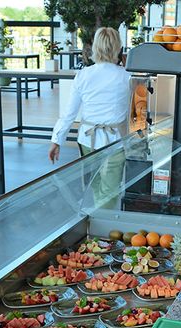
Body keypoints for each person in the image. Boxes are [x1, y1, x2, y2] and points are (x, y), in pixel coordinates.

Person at [49, 27, 131, 208]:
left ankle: (98, 229)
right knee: (110, 191)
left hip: (87, 139)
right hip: (115, 139)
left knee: (94, 187)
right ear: (118, 47)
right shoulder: (127, 76)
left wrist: (57, 140)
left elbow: (68, 113)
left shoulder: (83, 75)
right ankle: (104, 230)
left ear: (95, 47)